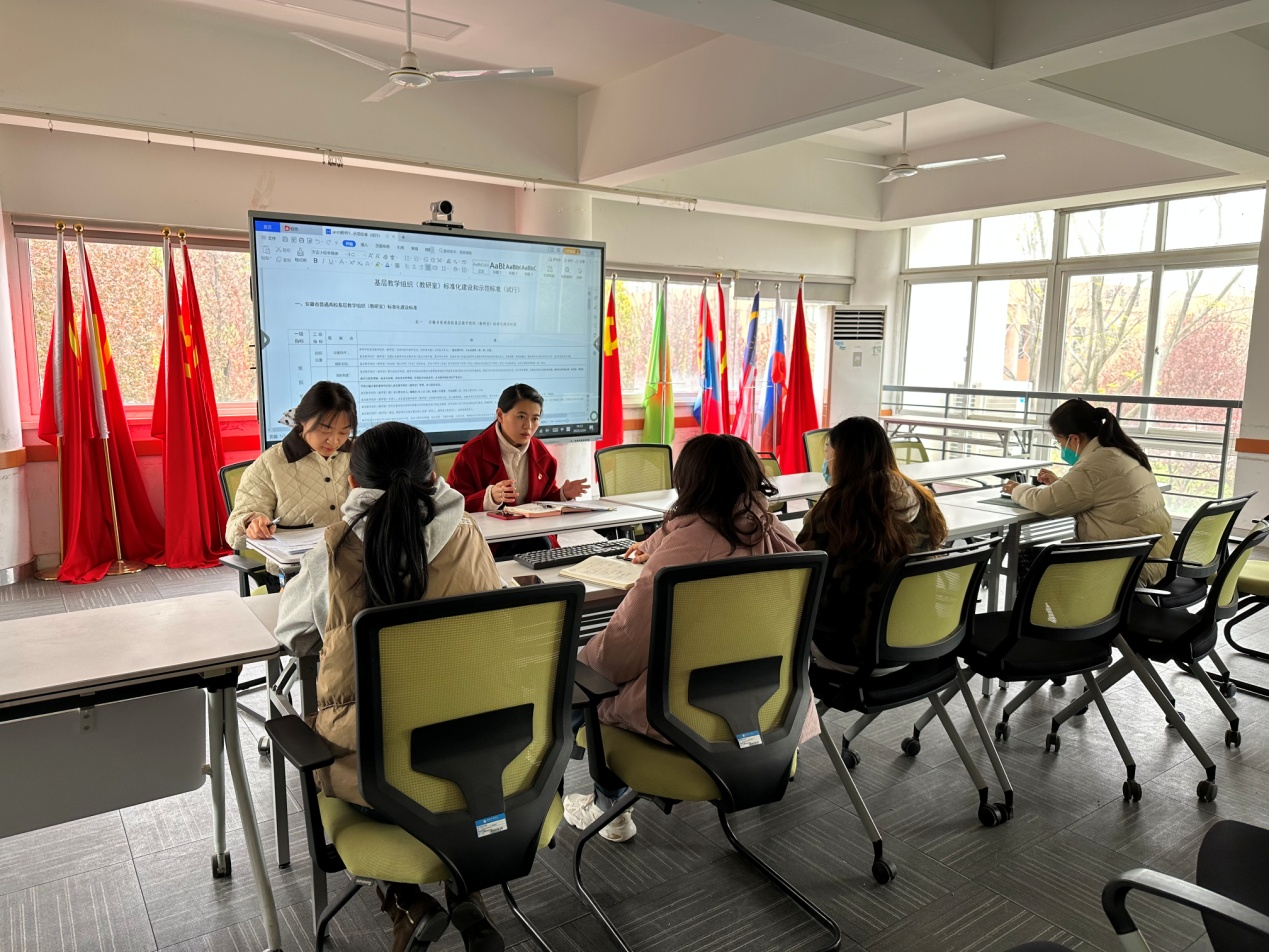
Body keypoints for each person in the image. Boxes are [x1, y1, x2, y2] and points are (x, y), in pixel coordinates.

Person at [274, 421, 504, 952]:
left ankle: (405, 902)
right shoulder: (469, 534)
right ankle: (468, 891)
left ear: (352, 482)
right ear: (435, 477)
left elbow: (293, 635)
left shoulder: (335, 551)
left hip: (376, 779)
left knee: (354, 760)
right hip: (480, 764)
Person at [565, 434, 815, 842]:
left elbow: (621, 650)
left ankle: (608, 806)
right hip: (769, 710)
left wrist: (578, 668)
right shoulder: (777, 534)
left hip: (686, 716)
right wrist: (656, 543)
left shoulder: (688, 551)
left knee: (580, 681)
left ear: (689, 481)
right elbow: (695, 532)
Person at [796, 416, 948, 671]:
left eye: (828, 452)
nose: (826, 461)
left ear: (843, 457)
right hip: (918, 641)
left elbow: (799, 575)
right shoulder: (923, 500)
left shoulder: (836, 509)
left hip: (850, 649)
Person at [1002, 398, 1175, 585]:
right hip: (1156, 557)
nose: (1061, 448)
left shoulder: (1094, 464)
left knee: (1027, 558)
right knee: (1046, 553)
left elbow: (1045, 503)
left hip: (1125, 565)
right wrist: (1060, 484)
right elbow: (1101, 495)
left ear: (1074, 439)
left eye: (1059, 442)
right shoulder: (1120, 451)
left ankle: (1049, 605)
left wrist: (1017, 489)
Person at [225, 381, 357, 576]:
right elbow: (233, 532)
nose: (335, 440)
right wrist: (251, 523)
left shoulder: (359, 456)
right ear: (303, 420)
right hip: (298, 574)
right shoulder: (270, 464)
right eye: (325, 430)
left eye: (344, 432)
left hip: (355, 567)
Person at [447, 384, 589, 553]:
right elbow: (454, 505)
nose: (528, 426)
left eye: (535, 419)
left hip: (534, 534)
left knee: (541, 544)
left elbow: (543, 499)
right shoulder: (472, 453)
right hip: (493, 543)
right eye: (521, 417)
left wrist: (562, 494)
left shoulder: (541, 454)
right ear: (500, 415)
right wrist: (489, 497)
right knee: (539, 546)